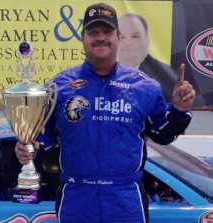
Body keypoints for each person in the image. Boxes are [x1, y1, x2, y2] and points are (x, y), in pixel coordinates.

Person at [15, 3, 195, 223]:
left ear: (118, 37)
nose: (101, 37)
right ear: (82, 37)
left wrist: (178, 110)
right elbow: (44, 138)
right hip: (76, 198)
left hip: (126, 200)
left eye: (107, 32)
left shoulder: (144, 87)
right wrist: (28, 147)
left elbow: (163, 135)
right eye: (93, 32)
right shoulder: (57, 87)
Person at [117, 13, 177, 101]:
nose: (127, 43)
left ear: (147, 41)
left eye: (135, 36)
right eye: (122, 37)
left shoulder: (166, 77)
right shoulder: (104, 73)